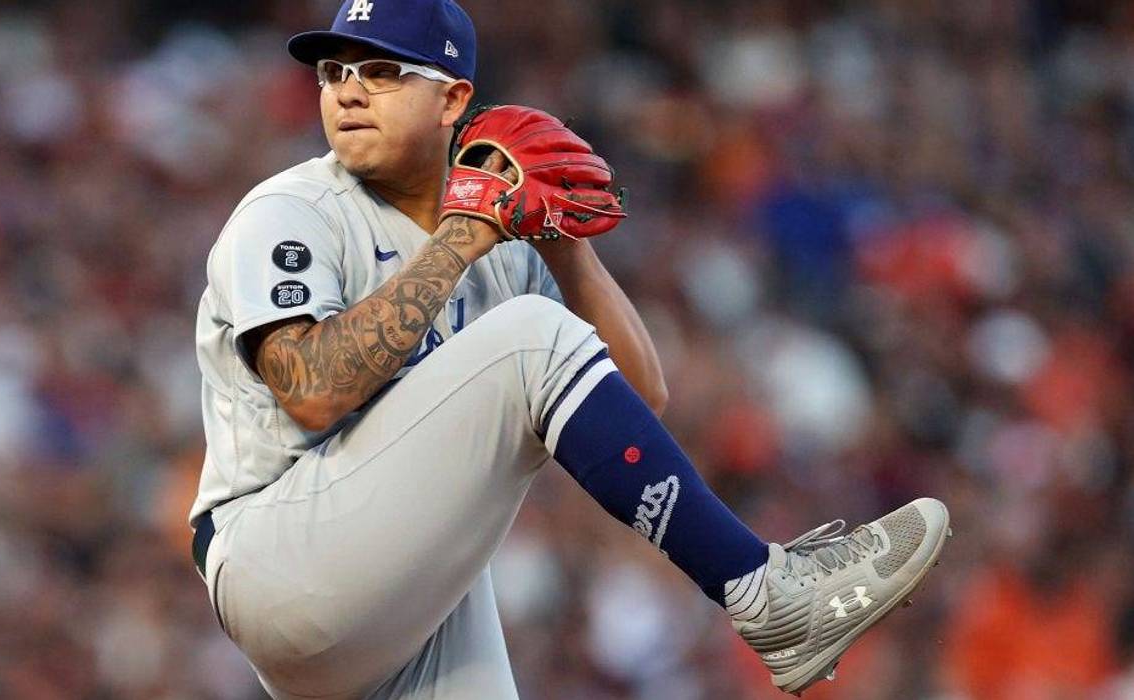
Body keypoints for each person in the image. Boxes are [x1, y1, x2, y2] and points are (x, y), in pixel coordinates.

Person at [188, 1, 952, 697]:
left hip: (398, 598)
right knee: (531, 336)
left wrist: (562, 244)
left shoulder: (498, 247)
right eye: (333, 72)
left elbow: (634, 401)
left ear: (453, 98)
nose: (347, 91)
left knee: (539, 339)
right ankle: (764, 594)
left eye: (382, 72)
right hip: (275, 556)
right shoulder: (291, 212)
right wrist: (466, 232)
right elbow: (313, 389)